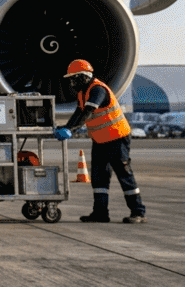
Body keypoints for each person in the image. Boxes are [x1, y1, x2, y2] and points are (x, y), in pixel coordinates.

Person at [55, 60, 145, 224]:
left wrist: (71, 130)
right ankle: (100, 213)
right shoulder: (83, 93)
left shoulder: (97, 90)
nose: (71, 82)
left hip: (117, 138)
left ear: (83, 77)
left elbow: (88, 112)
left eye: (74, 78)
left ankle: (138, 212)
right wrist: (67, 126)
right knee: (99, 178)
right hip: (100, 140)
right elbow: (78, 113)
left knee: (124, 174)